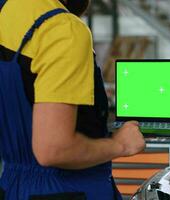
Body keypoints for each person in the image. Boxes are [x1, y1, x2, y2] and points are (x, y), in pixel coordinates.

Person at [0, 0, 145, 199]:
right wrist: (121, 144)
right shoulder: (62, 29)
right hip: (68, 190)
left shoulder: (7, 13)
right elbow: (53, 149)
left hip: (11, 187)